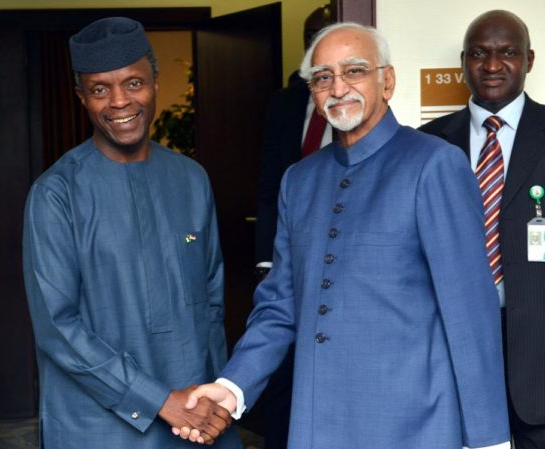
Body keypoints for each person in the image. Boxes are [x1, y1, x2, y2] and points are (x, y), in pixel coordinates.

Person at [179, 22, 511, 449]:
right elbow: (280, 305)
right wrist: (233, 385)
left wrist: (488, 438)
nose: (338, 88)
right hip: (318, 422)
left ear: (386, 81)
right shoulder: (299, 180)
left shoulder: (434, 165)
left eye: (354, 71)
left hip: (416, 422)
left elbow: (470, 312)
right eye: (322, 77)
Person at [22, 17, 240, 449]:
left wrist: (217, 402)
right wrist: (160, 399)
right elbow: (58, 327)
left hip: (195, 422)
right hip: (98, 427)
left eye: (134, 83)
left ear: (155, 83)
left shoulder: (192, 179)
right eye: (100, 89)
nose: (119, 102)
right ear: (81, 97)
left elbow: (212, 305)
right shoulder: (56, 193)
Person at [419, 10, 545, 449]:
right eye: (479, 54)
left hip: (539, 359)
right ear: (463, 62)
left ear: (529, 59)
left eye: (507, 53)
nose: (492, 66)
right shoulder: (426, 144)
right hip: (451, 352)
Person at [252, 7, 333, 449]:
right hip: (289, 251)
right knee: (284, 365)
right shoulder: (286, 102)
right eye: (310, 36)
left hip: (334, 252)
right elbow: (268, 184)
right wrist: (267, 260)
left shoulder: (356, 103)